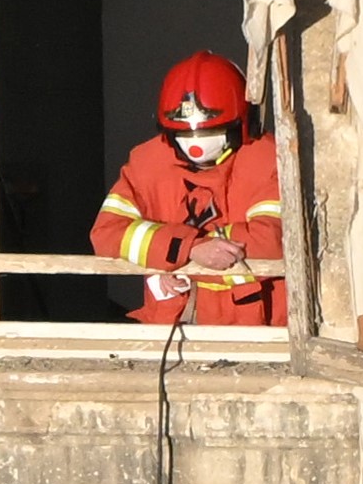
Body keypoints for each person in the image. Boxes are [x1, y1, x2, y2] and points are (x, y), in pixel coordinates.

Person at [96, 52, 287, 333]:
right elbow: (107, 234)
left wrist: (178, 259)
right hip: (170, 328)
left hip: (256, 329)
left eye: (211, 135)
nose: (196, 148)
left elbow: (270, 241)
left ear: (241, 125)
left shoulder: (269, 159)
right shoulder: (148, 163)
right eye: (183, 137)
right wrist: (189, 250)